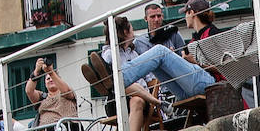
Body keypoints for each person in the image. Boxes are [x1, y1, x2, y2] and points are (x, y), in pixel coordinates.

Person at [82, 35, 215, 105]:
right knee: (157, 61)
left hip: (209, 84)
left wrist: (191, 61)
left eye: (187, 12)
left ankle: (116, 78)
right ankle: (112, 82)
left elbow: (224, 66)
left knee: (160, 51)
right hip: (184, 92)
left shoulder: (212, 34)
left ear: (193, 13)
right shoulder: (196, 37)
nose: (186, 16)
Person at [103, 16, 167, 131]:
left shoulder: (134, 53)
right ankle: (159, 103)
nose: (134, 33)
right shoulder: (109, 54)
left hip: (142, 99)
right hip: (118, 100)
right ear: (125, 32)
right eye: (132, 29)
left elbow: (149, 78)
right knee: (123, 83)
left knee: (137, 99)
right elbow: (113, 81)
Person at [23, 58, 76, 131]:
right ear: (45, 84)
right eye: (47, 78)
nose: (50, 79)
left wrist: (51, 72)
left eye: (52, 78)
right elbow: (29, 91)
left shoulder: (67, 93)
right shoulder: (42, 97)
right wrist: (36, 72)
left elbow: (66, 90)